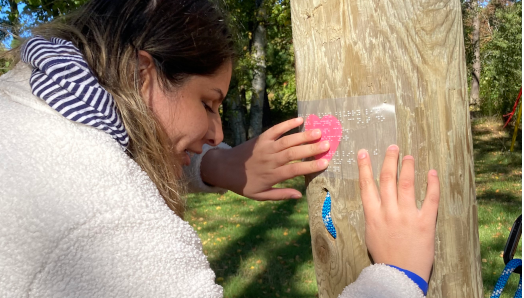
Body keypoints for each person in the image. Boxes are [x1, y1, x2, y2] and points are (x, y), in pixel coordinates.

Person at [0, 0, 439, 297]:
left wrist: (210, 165)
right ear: (139, 75)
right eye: (208, 103)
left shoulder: (29, 98)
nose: (215, 131)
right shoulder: (108, 224)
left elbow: (106, 144)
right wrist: (398, 277)